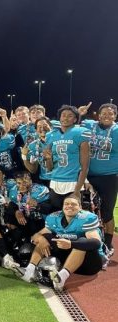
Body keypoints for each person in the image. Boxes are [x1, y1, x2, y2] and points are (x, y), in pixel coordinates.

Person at [19, 195, 103, 292]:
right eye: (66, 204)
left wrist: (72, 243)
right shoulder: (54, 217)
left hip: (90, 263)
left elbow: (96, 243)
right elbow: (35, 236)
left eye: (73, 204)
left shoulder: (87, 218)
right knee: (44, 237)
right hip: (68, 259)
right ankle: (30, 270)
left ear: (80, 207)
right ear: (62, 207)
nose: (69, 206)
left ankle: (61, 278)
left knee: (82, 241)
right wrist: (40, 238)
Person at [81, 103, 118, 254]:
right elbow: (65, 124)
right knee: (85, 209)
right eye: (103, 113)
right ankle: (88, 241)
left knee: (107, 211)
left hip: (109, 176)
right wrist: (79, 114)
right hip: (88, 175)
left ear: (115, 116)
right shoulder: (90, 124)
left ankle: (108, 244)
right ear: (98, 114)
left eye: (110, 114)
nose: (106, 116)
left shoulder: (116, 130)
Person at [44, 105, 91, 210]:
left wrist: (77, 190)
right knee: (56, 216)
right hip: (55, 181)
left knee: (74, 216)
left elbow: (85, 166)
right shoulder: (51, 135)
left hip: (73, 182)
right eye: (63, 115)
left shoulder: (81, 132)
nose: (65, 118)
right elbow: (49, 168)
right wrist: (48, 158)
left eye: (70, 116)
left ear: (75, 119)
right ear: (59, 117)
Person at [21, 117, 53, 186]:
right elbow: (33, 170)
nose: (42, 128)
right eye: (39, 127)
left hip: (61, 178)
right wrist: (24, 156)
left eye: (45, 126)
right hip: (44, 180)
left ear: (51, 127)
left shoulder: (59, 141)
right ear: (35, 130)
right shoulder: (32, 146)